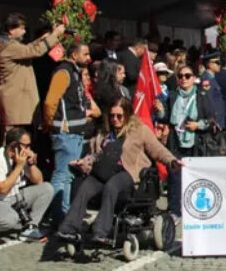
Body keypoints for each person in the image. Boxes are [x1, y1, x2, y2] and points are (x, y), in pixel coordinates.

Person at [57, 98, 180, 245]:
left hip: (128, 172)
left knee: (112, 186)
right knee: (85, 188)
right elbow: (95, 154)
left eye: (119, 116)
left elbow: (157, 150)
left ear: (127, 115)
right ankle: (68, 229)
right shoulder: (104, 132)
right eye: (112, 116)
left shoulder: (140, 130)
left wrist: (172, 161)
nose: (115, 119)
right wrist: (83, 162)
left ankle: (100, 232)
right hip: (103, 170)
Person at [42, 42, 93, 220]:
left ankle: (64, 214)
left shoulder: (74, 73)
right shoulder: (63, 72)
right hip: (66, 133)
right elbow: (50, 102)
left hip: (75, 132)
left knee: (69, 176)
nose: (89, 58)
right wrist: (52, 124)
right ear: (73, 55)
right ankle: (57, 216)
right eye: (85, 54)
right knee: (61, 175)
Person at [157, 65, 215, 220]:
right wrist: (160, 110)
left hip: (195, 141)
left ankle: (195, 209)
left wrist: (198, 125)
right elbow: (165, 117)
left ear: (194, 77)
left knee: (194, 175)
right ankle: (175, 210)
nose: (183, 79)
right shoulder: (173, 95)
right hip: (175, 139)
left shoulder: (202, 95)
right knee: (174, 175)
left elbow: (211, 119)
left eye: (187, 76)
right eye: (180, 76)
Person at [0, 13, 65, 132]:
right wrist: (55, 34)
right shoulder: (6, 47)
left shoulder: (8, 45)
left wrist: (43, 38)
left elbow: (26, 49)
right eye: (22, 28)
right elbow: (33, 51)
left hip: (18, 104)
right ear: (10, 29)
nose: (24, 32)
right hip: (15, 106)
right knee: (14, 143)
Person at [0, 127, 53, 240]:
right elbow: (2, 189)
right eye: (26, 145)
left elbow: (39, 181)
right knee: (11, 220)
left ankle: (30, 227)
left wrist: (31, 164)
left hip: (14, 196)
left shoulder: (22, 157)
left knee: (47, 188)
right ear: (14, 145)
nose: (29, 149)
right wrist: (19, 166)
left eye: (30, 145)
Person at [200, 50, 225, 127]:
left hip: (219, 118)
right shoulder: (206, 79)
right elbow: (208, 100)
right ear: (209, 64)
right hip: (214, 120)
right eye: (217, 63)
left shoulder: (212, 78)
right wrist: (213, 118)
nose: (219, 65)